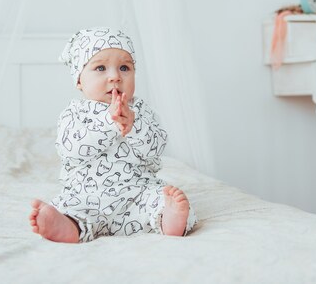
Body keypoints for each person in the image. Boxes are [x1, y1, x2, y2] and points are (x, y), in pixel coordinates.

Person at [28, 27, 197, 243]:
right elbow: (72, 151)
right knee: (69, 206)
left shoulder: (141, 111)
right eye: (100, 68)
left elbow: (156, 148)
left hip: (136, 196)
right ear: (79, 80)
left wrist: (134, 126)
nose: (115, 77)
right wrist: (108, 123)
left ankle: (168, 219)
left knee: (166, 200)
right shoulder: (74, 113)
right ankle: (67, 226)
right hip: (87, 196)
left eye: (124, 67)